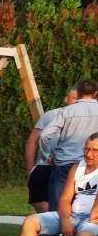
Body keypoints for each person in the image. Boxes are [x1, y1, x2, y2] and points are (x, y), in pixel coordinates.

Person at [6, 132, 98, 236]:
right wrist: (65, 220)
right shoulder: (77, 167)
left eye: (95, 150)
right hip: (73, 214)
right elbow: (65, 199)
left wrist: (92, 217)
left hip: (93, 219)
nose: (89, 154)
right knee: (30, 221)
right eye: (86, 149)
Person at [38, 79, 98, 236]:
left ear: (78, 92)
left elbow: (45, 135)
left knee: (58, 203)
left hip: (65, 162)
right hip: (92, 163)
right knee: (89, 200)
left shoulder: (67, 111)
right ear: (96, 93)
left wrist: (47, 153)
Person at [27, 87, 77, 216]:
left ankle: (57, 223)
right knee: (38, 198)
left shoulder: (86, 119)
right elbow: (32, 141)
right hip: (44, 165)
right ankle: (51, 221)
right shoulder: (51, 115)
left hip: (70, 166)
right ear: (66, 99)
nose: (76, 102)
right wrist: (30, 168)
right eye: (74, 98)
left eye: (79, 99)